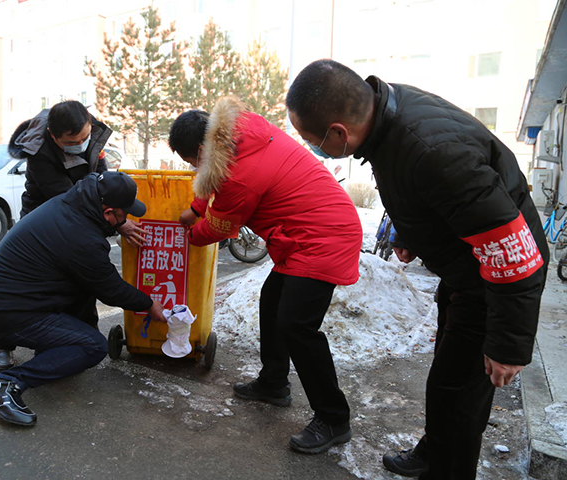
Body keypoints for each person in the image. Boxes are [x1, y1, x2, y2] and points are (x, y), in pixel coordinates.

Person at [286, 59, 549, 479]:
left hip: (493, 278)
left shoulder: (432, 150)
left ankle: (446, 468)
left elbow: (513, 252)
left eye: (312, 140)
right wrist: (409, 234)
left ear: (339, 132)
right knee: (449, 381)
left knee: (456, 392)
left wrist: (507, 344)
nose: (314, 149)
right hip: (466, 270)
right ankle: (434, 451)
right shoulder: (386, 119)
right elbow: (418, 189)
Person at [168, 100, 363, 454]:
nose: (195, 168)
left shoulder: (240, 174)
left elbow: (221, 224)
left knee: (297, 327)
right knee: (272, 302)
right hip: (308, 231)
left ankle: (334, 418)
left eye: (191, 162)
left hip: (323, 236)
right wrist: (196, 207)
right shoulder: (240, 136)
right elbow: (213, 178)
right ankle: (274, 383)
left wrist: (189, 235)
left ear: (201, 149)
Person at [0, 171, 167, 426]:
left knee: (81, 297)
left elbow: (88, 280)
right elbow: (110, 288)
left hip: (8, 302)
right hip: (9, 314)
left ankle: (50, 351)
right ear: (108, 212)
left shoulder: (71, 203)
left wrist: (119, 225)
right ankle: (7, 385)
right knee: (92, 347)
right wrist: (149, 304)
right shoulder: (81, 237)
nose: (127, 219)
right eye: (124, 215)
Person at [0, 100, 145, 371]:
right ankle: (3, 341)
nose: (82, 143)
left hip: (84, 211)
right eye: (73, 141)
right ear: (54, 136)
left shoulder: (93, 133)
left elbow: (101, 180)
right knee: (32, 285)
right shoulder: (39, 151)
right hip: (45, 216)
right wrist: (117, 224)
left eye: (85, 137)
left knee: (81, 280)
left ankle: (75, 341)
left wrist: (115, 213)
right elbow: (67, 199)